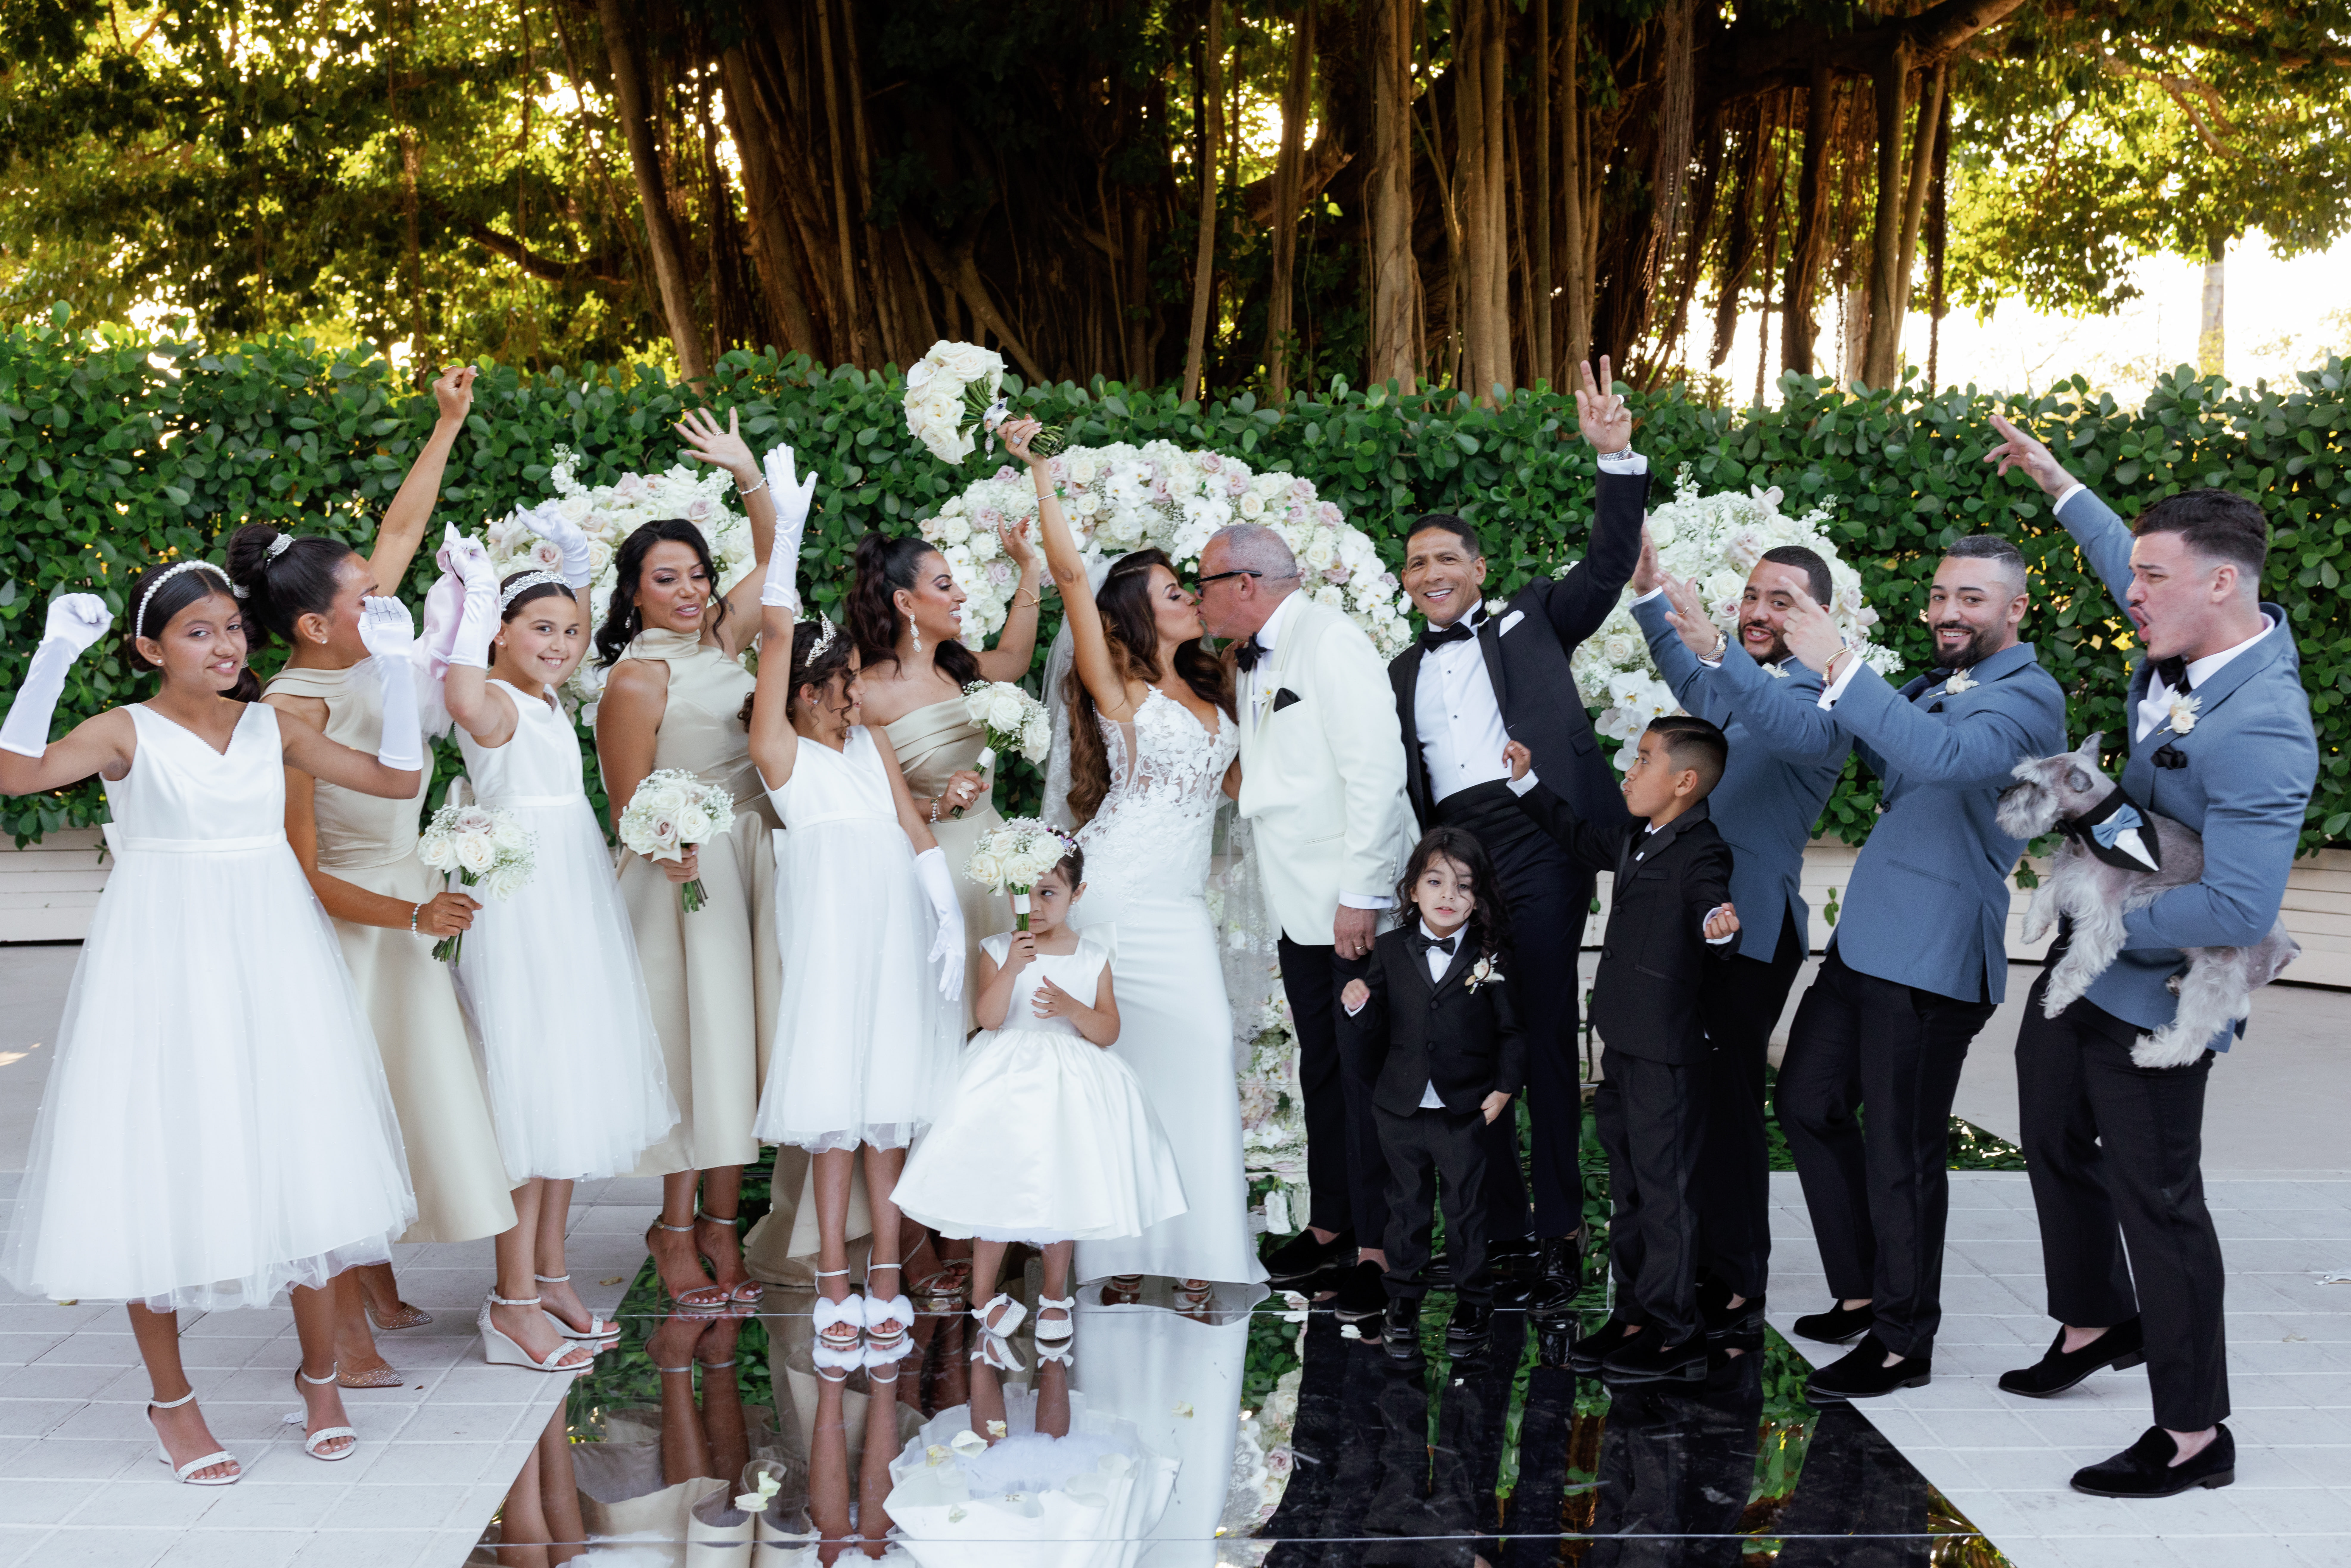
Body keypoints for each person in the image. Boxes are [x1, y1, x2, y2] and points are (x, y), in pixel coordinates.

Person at [0, 562, 423, 1482]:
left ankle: (320, 1380)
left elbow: (397, 781)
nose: (226, 645)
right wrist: (53, 656)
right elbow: (12, 773)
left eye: (232, 628)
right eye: (200, 632)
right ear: (151, 649)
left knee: (299, 1148)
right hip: (161, 963)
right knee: (156, 1161)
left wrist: (395, 671)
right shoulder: (124, 732)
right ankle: (173, 1403)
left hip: (272, 955)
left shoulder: (275, 727)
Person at [1985, 416, 2317, 1497]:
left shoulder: (2264, 725)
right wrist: (2056, 479)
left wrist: (2104, 920)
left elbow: (2236, 902)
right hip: (2094, 960)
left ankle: (2193, 1433)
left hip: (2166, 981)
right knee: (2046, 1127)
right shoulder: (2191, 634)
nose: (2130, 590)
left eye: (2152, 576)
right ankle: (2094, 1321)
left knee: (2159, 1197)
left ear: (2221, 586)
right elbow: (2118, 554)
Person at [237, 363, 520, 1388]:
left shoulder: (371, 652)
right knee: (351, 1109)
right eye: (363, 596)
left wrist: (447, 424)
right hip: (354, 923)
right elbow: (305, 872)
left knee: (405, 1098)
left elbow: (400, 531)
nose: (385, 595)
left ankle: (380, 1276)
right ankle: (345, 1320)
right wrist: (409, 909)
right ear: (315, 624)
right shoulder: (288, 715)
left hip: (408, 904)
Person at [1766, 533, 2067, 1401]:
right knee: (1806, 1100)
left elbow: (1941, 759)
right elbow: (1880, 751)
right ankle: (1863, 1290)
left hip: (1934, 955)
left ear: (2015, 609)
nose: (1945, 613)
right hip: (1866, 940)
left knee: (1902, 1151)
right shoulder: (1934, 685)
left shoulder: (2028, 698)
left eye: (1970, 599)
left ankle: (1902, 1340)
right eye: (1939, 596)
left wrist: (1844, 669)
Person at [1381, 356, 1652, 1319]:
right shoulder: (1400, 668)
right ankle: (1489, 1233)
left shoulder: (1536, 617)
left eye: (1445, 558)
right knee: (1463, 1038)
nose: (1430, 574)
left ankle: (1559, 1236)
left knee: (1538, 1036)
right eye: (1415, 564)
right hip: (1457, 856)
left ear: (1479, 569)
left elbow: (1610, 564)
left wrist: (1615, 461)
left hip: (1538, 839)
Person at [1005, 416, 1269, 1293]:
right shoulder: (1117, 689)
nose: (1190, 597)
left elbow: (1247, 796)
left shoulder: (1217, 691)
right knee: (1112, 1078)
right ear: (1135, 612)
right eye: (1171, 591)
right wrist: (1040, 472)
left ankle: (1202, 1260)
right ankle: (1114, 1264)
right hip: (1114, 896)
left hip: (1179, 910)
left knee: (1196, 1057)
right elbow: (1075, 576)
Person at [439, 544, 680, 1368]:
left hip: (571, 902)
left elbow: (564, 614)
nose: (560, 644)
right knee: (530, 1093)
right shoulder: (499, 703)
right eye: (540, 629)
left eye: (573, 632)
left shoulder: (543, 701)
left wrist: (573, 567)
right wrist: (475, 595)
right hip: (524, 912)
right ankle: (509, 1302)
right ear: (499, 632)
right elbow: (462, 695)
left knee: (566, 1091)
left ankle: (548, 1273)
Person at [746, 492, 966, 1366]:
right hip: (836, 954)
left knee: (890, 1122)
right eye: (842, 686)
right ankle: (835, 1280)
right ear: (807, 694)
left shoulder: (868, 750)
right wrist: (785, 538)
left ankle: (886, 1279)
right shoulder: (783, 756)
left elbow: (914, 831)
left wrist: (944, 911)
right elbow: (771, 638)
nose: (856, 697)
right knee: (838, 1122)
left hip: (898, 941)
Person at [1629, 535, 1850, 1345]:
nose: (1758, 612)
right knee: (1679, 1102)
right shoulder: (1732, 685)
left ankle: (1734, 1277)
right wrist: (1651, 596)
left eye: (1781, 601)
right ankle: (1684, 1258)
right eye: (1752, 595)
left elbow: (1771, 719)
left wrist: (1723, 654)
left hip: (1750, 933)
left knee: (1725, 1112)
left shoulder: (1822, 699)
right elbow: (1691, 679)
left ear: (1818, 617)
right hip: (1687, 929)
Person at [589, 411, 787, 1311]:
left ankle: (722, 1226)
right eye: (665, 579)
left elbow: (777, 554)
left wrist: (747, 473)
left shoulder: (721, 643)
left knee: (738, 1054)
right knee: (691, 1052)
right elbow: (626, 803)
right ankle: (672, 1230)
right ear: (631, 593)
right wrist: (671, 847)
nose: (689, 590)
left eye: (698, 575)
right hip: (682, 878)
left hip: (752, 858)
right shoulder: (637, 679)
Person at [1195, 518, 1415, 1321]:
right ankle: (1328, 1227)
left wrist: (1364, 891)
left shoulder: (1330, 642)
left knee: (1365, 1077)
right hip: (1297, 907)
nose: (1198, 596)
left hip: (1351, 904)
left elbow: (1376, 772)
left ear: (1245, 584)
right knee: (1320, 1068)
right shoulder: (1250, 659)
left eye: (1205, 582)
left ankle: (1378, 1251)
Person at [1503, 719, 1741, 1384]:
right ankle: (1634, 1314)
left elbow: (1708, 901)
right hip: (1625, 1043)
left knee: (1666, 1196)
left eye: (1642, 761)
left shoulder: (1704, 849)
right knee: (1631, 1189)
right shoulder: (1638, 835)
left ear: (1684, 782)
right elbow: (1579, 837)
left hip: (1666, 1052)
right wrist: (1526, 783)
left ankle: (1675, 1332)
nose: (1629, 772)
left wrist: (1715, 926)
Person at [896, 841, 1187, 1345]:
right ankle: (982, 1295)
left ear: (1078, 894)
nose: (1033, 902)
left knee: (1065, 1188)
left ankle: (1055, 1295)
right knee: (996, 1187)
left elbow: (1107, 1031)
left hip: (1069, 1088)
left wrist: (1074, 1008)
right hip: (1003, 1083)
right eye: (1022, 892)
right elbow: (989, 1019)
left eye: (1048, 891)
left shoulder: (1093, 956)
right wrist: (1011, 967)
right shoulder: (995, 948)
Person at [1338, 826, 1527, 1361]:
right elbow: (1377, 1026)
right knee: (1405, 1207)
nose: (1450, 896)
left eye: (1465, 886)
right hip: (1400, 1105)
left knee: (1466, 1206)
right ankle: (1402, 1296)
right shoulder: (1394, 949)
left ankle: (1473, 1299)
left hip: (1465, 1108)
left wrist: (1505, 1087)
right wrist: (1358, 1003)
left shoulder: (1491, 956)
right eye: (1437, 881)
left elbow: (1514, 1031)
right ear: (1414, 890)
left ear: (1480, 897)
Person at [849, 521, 1044, 1022]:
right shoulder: (863, 695)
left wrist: (1030, 567)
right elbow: (863, 799)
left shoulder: (960, 669)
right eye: (943, 586)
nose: (960, 594)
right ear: (905, 604)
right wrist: (936, 807)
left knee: (1009, 1006)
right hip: (931, 862)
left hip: (993, 854)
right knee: (947, 1012)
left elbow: (1017, 657)